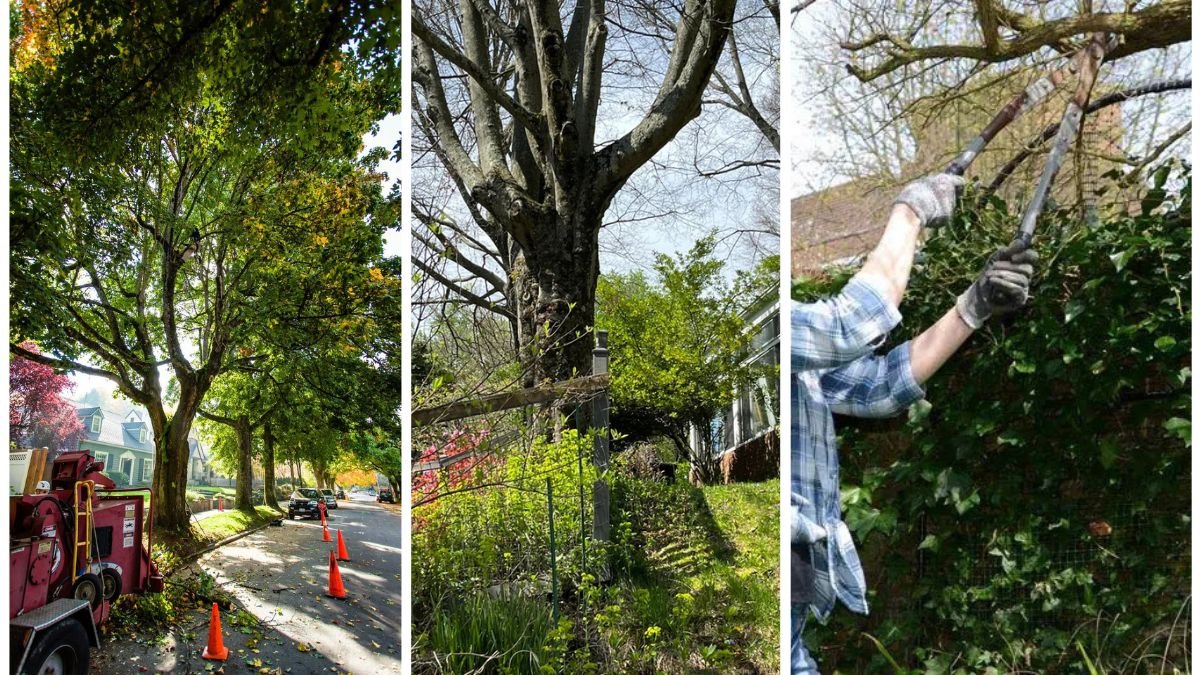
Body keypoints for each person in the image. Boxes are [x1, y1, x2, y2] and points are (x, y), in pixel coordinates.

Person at [791, 173, 1039, 673]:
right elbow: (850, 325)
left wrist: (973, 307)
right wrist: (910, 212)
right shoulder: (789, 324)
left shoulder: (797, 358)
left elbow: (879, 385)